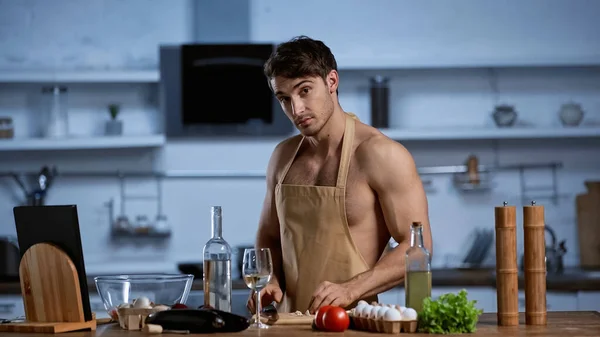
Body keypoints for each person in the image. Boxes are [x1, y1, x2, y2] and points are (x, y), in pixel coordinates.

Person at [247, 35, 433, 315]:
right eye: (284, 98)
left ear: (332, 81)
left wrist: (351, 289)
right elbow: (269, 236)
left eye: (304, 91)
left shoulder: (380, 154)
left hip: (353, 324)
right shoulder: (282, 157)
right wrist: (269, 278)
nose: (296, 109)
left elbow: (418, 249)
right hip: (288, 325)